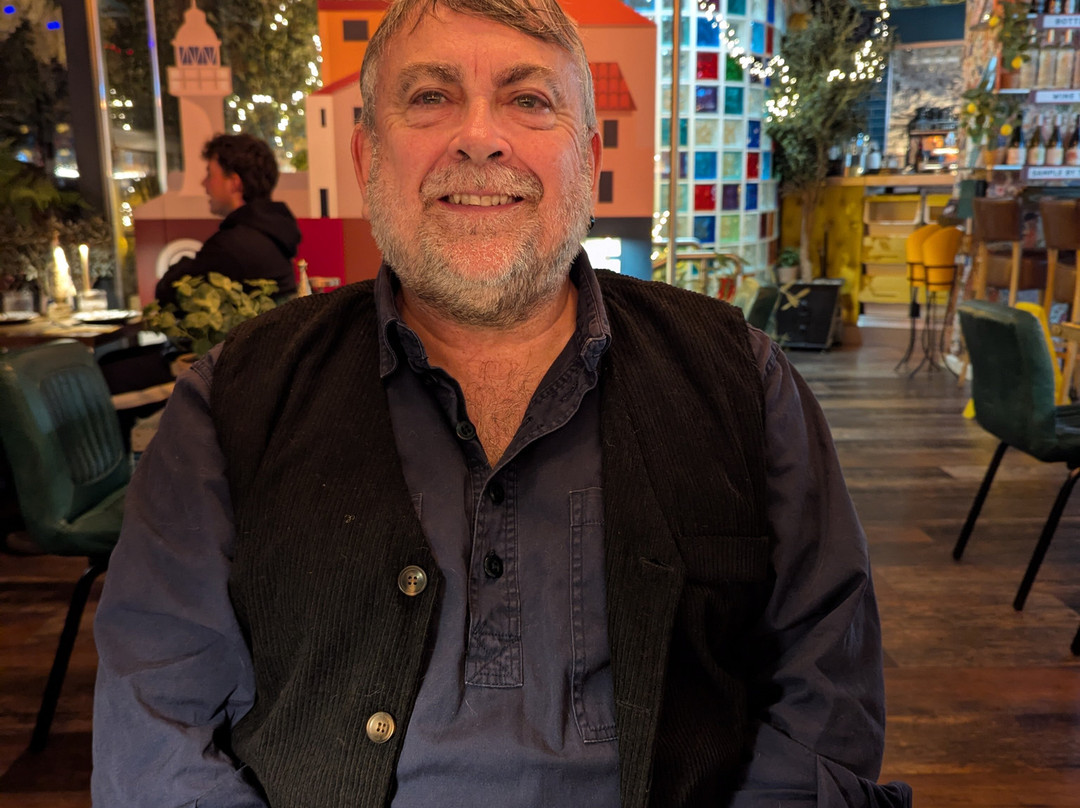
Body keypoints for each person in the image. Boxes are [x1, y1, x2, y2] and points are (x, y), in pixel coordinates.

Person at [92, 1, 912, 806]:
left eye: (528, 99)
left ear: (587, 158)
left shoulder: (742, 381)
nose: (479, 137)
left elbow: (825, 704)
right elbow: (156, 736)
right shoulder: (233, 401)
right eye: (431, 96)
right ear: (367, 155)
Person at [154, 133, 300, 306]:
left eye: (210, 174)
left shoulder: (233, 246)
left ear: (234, 183)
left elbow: (167, 291)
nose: (204, 183)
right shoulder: (274, 232)